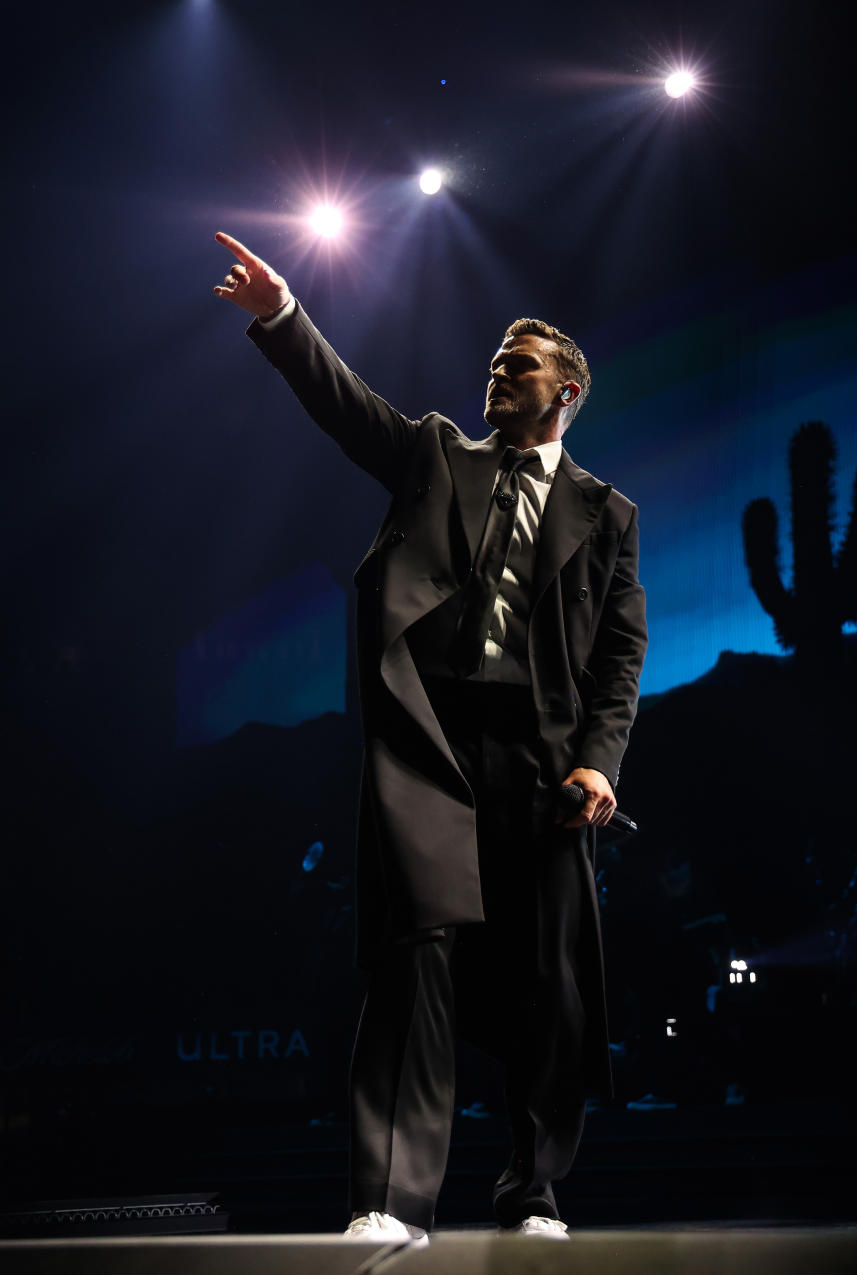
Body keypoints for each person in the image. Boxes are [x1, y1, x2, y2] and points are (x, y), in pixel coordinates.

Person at [213, 231, 648, 1243]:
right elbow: (347, 404)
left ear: (567, 391)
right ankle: (389, 1201)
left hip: (543, 765)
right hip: (430, 744)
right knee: (416, 962)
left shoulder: (607, 514)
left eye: (521, 365)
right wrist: (283, 317)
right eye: (495, 362)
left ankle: (532, 1193)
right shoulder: (437, 455)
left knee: (548, 983)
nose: (500, 373)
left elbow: (620, 656)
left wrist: (598, 759)